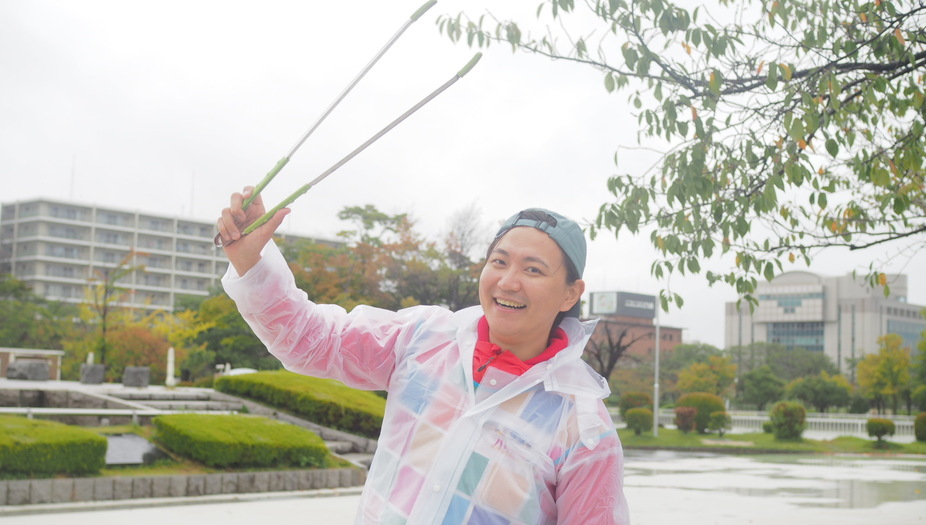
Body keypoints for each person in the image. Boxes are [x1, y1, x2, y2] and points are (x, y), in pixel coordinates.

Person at [217, 188, 629, 524]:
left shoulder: (583, 428)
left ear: (571, 293)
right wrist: (250, 259)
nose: (508, 282)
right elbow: (309, 339)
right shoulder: (423, 338)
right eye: (498, 262)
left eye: (533, 270)